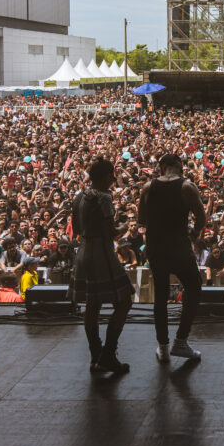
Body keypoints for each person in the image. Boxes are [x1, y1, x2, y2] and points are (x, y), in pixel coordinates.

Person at [138, 153, 205, 363]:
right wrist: (191, 235)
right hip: (179, 247)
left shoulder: (148, 188)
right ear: (179, 166)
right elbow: (201, 218)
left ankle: (163, 347)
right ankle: (181, 341)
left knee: (160, 295)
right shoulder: (187, 187)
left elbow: (141, 219)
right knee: (193, 288)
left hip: (156, 248)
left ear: (162, 166)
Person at [72, 158, 136, 374]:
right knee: (125, 300)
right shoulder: (105, 198)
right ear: (108, 176)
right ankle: (108, 354)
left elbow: (76, 227)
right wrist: (125, 226)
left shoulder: (78, 197)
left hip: (84, 251)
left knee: (92, 305)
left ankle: (95, 355)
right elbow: (110, 231)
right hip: (102, 253)